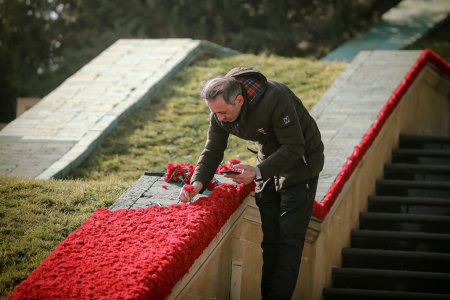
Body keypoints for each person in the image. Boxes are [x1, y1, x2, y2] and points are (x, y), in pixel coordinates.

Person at [179, 67, 324, 300]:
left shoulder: (276, 97)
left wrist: (257, 172)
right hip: (267, 162)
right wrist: (197, 183)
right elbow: (213, 150)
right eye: (214, 113)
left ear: (239, 99)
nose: (220, 118)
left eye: (223, 112)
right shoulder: (220, 109)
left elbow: (295, 147)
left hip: (302, 164)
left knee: (289, 240)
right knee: (271, 240)